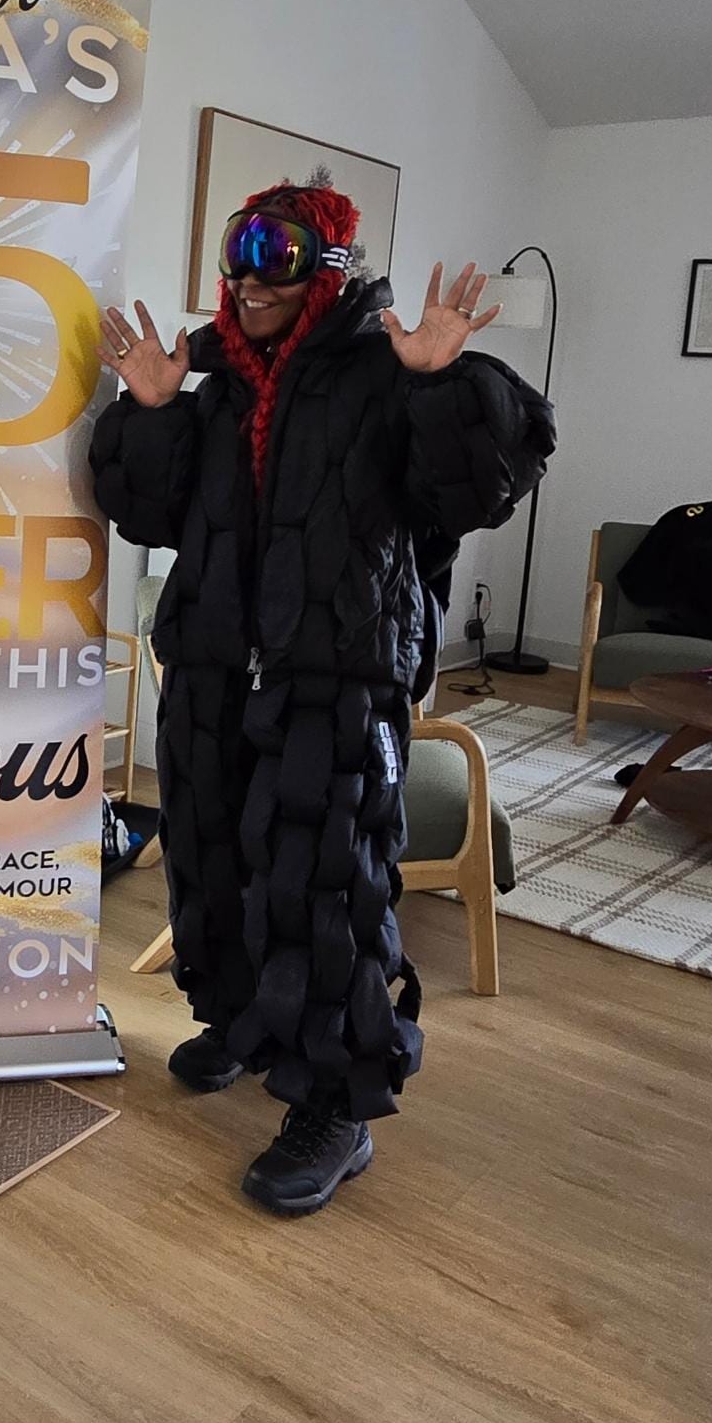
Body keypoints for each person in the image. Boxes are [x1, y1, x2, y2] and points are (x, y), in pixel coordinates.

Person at [91, 176, 554, 1215]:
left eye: (282, 255)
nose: (253, 278)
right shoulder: (211, 380)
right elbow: (149, 514)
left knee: (325, 884)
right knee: (211, 859)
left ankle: (337, 1107)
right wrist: (156, 412)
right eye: (241, 250)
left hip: (337, 672)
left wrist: (439, 384)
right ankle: (246, 1025)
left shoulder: (384, 374)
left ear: (328, 269)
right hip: (212, 663)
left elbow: (474, 493)